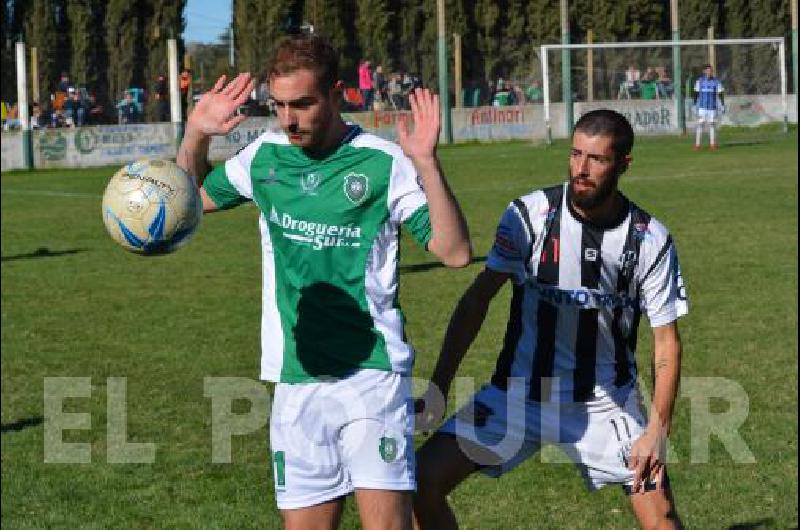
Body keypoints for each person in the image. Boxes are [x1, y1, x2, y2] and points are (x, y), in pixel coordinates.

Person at [176, 34, 471, 529]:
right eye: (280, 105)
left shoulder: (382, 163)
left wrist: (426, 162)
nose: (289, 119)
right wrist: (195, 135)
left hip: (372, 377)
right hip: (295, 379)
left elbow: (455, 251)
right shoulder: (264, 158)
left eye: (303, 104)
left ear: (336, 94)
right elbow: (187, 206)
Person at [413, 109, 687, 530]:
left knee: (660, 515)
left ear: (624, 164)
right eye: (576, 154)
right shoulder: (530, 215)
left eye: (596, 159)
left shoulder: (648, 238)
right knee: (420, 483)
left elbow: (666, 342)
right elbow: (476, 302)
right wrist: (439, 386)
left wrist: (657, 430)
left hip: (603, 402)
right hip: (518, 394)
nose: (581, 169)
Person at [693, 64, 725, 151]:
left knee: (712, 125)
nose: (709, 72)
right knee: (700, 124)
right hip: (702, 107)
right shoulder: (700, 81)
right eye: (708, 70)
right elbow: (695, 93)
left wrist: (722, 105)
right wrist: (694, 104)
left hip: (712, 107)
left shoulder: (716, 82)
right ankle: (697, 145)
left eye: (711, 71)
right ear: (704, 71)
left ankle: (712, 144)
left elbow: (721, 93)